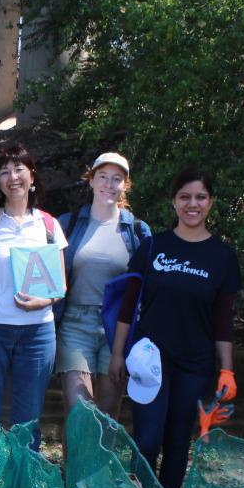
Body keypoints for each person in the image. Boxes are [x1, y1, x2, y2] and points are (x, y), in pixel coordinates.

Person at [107, 169, 240, 488]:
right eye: (185, 197)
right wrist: (117, 353)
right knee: (148, 439)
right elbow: (127, 306)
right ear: (174, 202)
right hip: (150, 358)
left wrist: (227, 369)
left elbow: (223, 321)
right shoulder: (153, 247)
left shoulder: (222, 256)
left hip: (195, 363)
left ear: (210, 203)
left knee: (179, 440)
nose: (192, 204)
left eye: (200, 197)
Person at [0, 143, 67, 450]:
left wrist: (42, 302)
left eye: (19, 169)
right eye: (4, 171)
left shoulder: (49, 224)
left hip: (38, 334)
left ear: (32, 177)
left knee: (27, 422)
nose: (12, 177)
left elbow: (59, 286)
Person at [55, 152, 152, 417]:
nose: (109, 184)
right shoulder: (68, 224)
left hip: (117, 330)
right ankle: (73, 461)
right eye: (103, 177)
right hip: (75, 323)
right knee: (79, 411)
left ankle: (100, 461)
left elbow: (144, 289)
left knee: (107, 414)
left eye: (116, 179)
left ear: (125, 186)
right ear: (91, 181)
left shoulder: (138, 231)